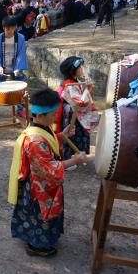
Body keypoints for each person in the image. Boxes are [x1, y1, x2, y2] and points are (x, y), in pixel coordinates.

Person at [8, 88, 88, 257]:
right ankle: (38, 246)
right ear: (41, 115)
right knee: (40, 214)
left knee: (35, 214)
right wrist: (74, 160)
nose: (55, 118)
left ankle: (34, 237)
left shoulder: (40, 127)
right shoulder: (34, 141)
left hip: (38, 182)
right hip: (39, 187)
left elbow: (48, 141)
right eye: (53, 115)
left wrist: (61, 135)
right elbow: (49, 168)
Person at [56, 57, 99, 165]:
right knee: (72, 135)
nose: (82, 68)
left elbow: (84, 99)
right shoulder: (70, 84)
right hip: (72, 115)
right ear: (72, 70)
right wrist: (88, 90)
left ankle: (78, 156)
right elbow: (80, 103)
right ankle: (68, 160)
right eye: (79, 67)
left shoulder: (75, 81)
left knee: (77, 135)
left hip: (75, 113)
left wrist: (89, 90)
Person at [0, 16, 29, 83]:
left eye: (12, 28)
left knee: (17, 90)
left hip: (16, 70)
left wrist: (18, 68)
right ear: (3, 28)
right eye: (8, 29)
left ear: (15, 27)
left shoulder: (21, 38)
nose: (10, 31)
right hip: (2, 71)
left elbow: (21, 55)